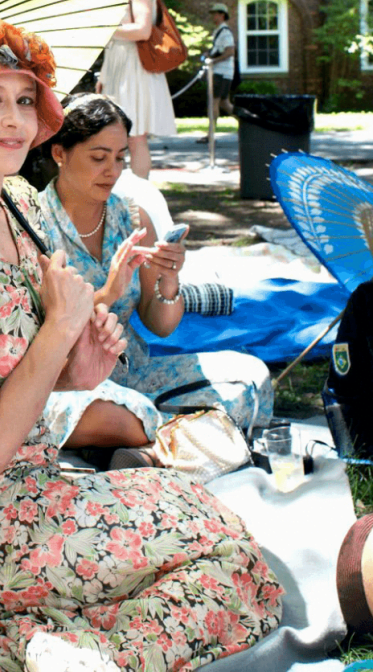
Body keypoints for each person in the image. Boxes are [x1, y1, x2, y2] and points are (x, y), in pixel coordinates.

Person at [0, 17, 282, 671]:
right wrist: (60, 330)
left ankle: (60, 644)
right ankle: (63, 653)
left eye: (25, 99)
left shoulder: (17, 208)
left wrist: (76, 367)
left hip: (33, 486)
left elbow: (25, 378)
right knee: (225, 563)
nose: (14, 120)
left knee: (216, 521)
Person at [37, 93, 273, 453]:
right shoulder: (34, 225)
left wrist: (168, 279)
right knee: (103, 413)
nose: (113, 172)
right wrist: (108, 294)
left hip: (135, 376)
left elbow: (160, 325)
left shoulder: (132, 217)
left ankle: (152, 441)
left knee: (250, 378)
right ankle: (182, 438)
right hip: (69, 383)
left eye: (120, 158)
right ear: (60, 153)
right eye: (99, 157)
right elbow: (42, 335)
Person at [96, 0, 176, 179]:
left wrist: (106, 29)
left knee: (135, 135)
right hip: (120, 66)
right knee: (122, 133)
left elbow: (143, 30)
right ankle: (125, 189)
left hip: (134, 67)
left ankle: (141, 193)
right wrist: (105, 75)